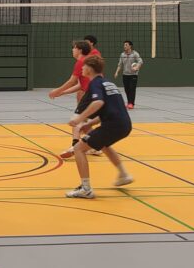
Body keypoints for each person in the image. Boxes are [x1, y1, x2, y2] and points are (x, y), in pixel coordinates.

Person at [64, 55, 134, 199]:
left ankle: (86, 189)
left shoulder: (95, 84)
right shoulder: (109, 83)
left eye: (83, 66)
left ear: (89, 69)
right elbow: (111, 108)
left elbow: (98, 103)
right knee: (104, 145)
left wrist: (80, 118)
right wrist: (89, 123)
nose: (82, 68)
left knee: (78, 149)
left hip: (112, 125)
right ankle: (123, 174)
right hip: (125, 124)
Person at [49, 41, 100, 158]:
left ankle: (76, 146)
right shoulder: (88, 61)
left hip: (90, 94)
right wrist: (61, 93)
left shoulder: (80, 62)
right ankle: (96, 147)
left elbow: (72, 81)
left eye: (74, 48)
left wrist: (56, 91)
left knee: (76, 121)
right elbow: (79, 85)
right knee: (85, 124)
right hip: (97, 94)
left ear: (80, 50)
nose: (72, 50)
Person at [114, 40, 143, 110]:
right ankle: (129, 102)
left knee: (132, 89)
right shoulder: (122, 54)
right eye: (124, 45)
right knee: (127, 90)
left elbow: (140, 61)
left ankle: (131, 104)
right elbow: (120, 64)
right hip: (125, 75)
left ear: (130, 46)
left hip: (133, 75)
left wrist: (137, 67)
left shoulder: (135, 54)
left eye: (126, 45)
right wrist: (116, 72)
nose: (124, 46)